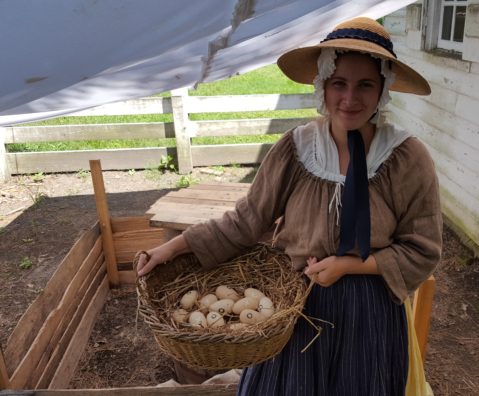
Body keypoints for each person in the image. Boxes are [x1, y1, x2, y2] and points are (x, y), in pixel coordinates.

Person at [136, 16, 442, 396]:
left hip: (370, 309)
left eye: (366, 85)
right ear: (323, 86)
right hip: (296, 306)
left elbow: (423, 247)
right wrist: (172, 247)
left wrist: (351, 264)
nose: (350, 99)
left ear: (383, 90)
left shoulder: (405, 157)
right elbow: (247, 220)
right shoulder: (297, 149)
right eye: (339, 84)